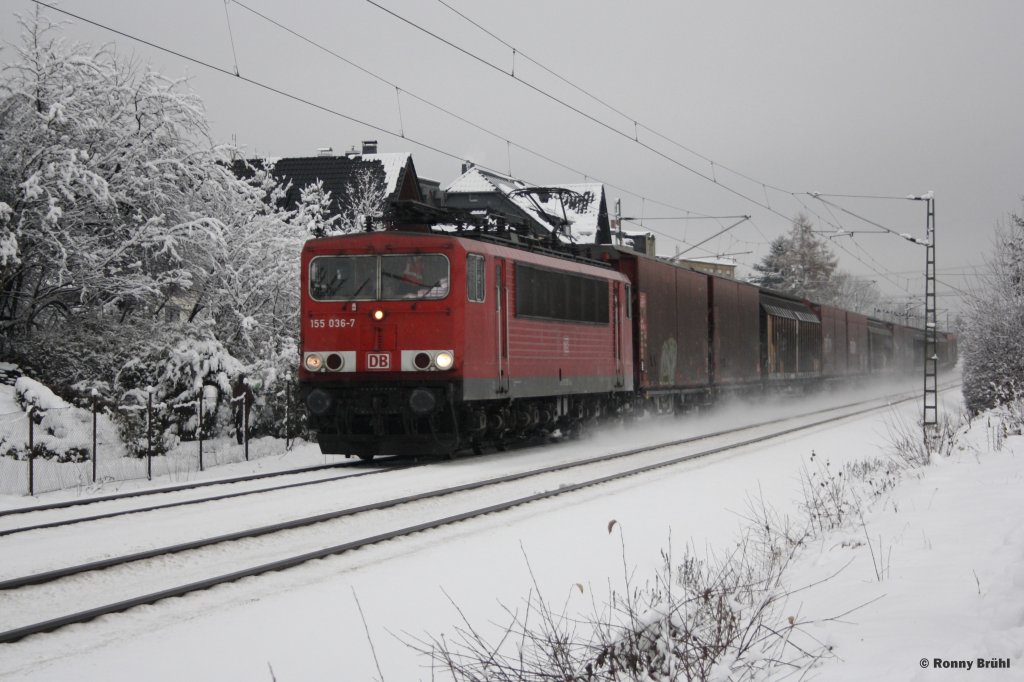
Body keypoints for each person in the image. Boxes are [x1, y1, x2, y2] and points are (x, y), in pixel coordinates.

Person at [232, 374, 254, 445]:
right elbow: (252, 399)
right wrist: (248, 406)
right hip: (245, 409)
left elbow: (234, 400)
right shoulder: (247, 388)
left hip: (238, 410)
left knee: (239, 425)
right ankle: (245, 439)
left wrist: (234, 409)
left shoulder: (236, 388)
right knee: (245, 424)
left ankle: (240, 440)